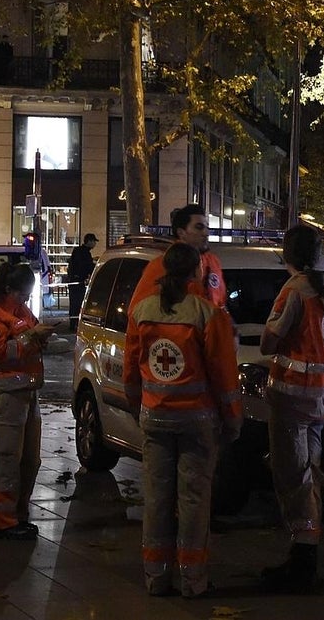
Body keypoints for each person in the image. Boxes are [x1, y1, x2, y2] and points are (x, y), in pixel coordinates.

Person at [123, 243, 242, 598]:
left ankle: (155, 576)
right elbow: (223, 375)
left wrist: (137, 406)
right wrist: (232, 420)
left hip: (155, 417)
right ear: (197, 272)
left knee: (157, 497)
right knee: (193, 500)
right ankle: (193, 579)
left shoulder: (142, 311)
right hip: (197, 421)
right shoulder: (207, 314)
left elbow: (132, 370)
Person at [259, 224, 324, 592]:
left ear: (286, 254)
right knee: (310, 474)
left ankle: (303, 554)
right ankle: (307, 548)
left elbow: (267, 342)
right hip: (320, 399)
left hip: (291, 398)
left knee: (292, 476)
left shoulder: (293, 290)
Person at [0, 262, 56, 540]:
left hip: (29, 393)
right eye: (21, 295)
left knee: (31, 460)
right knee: (8, 459)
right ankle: (3, 520)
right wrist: (33, 337)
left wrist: (40, 337)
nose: (24, 301)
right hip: (9, 396)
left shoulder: (18, 310)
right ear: (8, 289)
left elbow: (28, 335)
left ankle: (19, 514)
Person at [125, 204, 228, 369]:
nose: (206, 233)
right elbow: (138, 318)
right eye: (199, 227)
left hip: (210, 358)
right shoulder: (160, 267)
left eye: (207, 227)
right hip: (175, 359)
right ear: (181, 232)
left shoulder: (213, 263)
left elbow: (220, 304)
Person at [66, 232, 99, 331]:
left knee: (75, 303)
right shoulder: (83, 252)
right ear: (89, 241)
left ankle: (74, 323)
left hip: (75, 281)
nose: (95, 244)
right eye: (94, 242)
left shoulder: (79, 251)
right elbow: (85, 266)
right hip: (77, 281)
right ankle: (74, 324)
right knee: (77, 303)